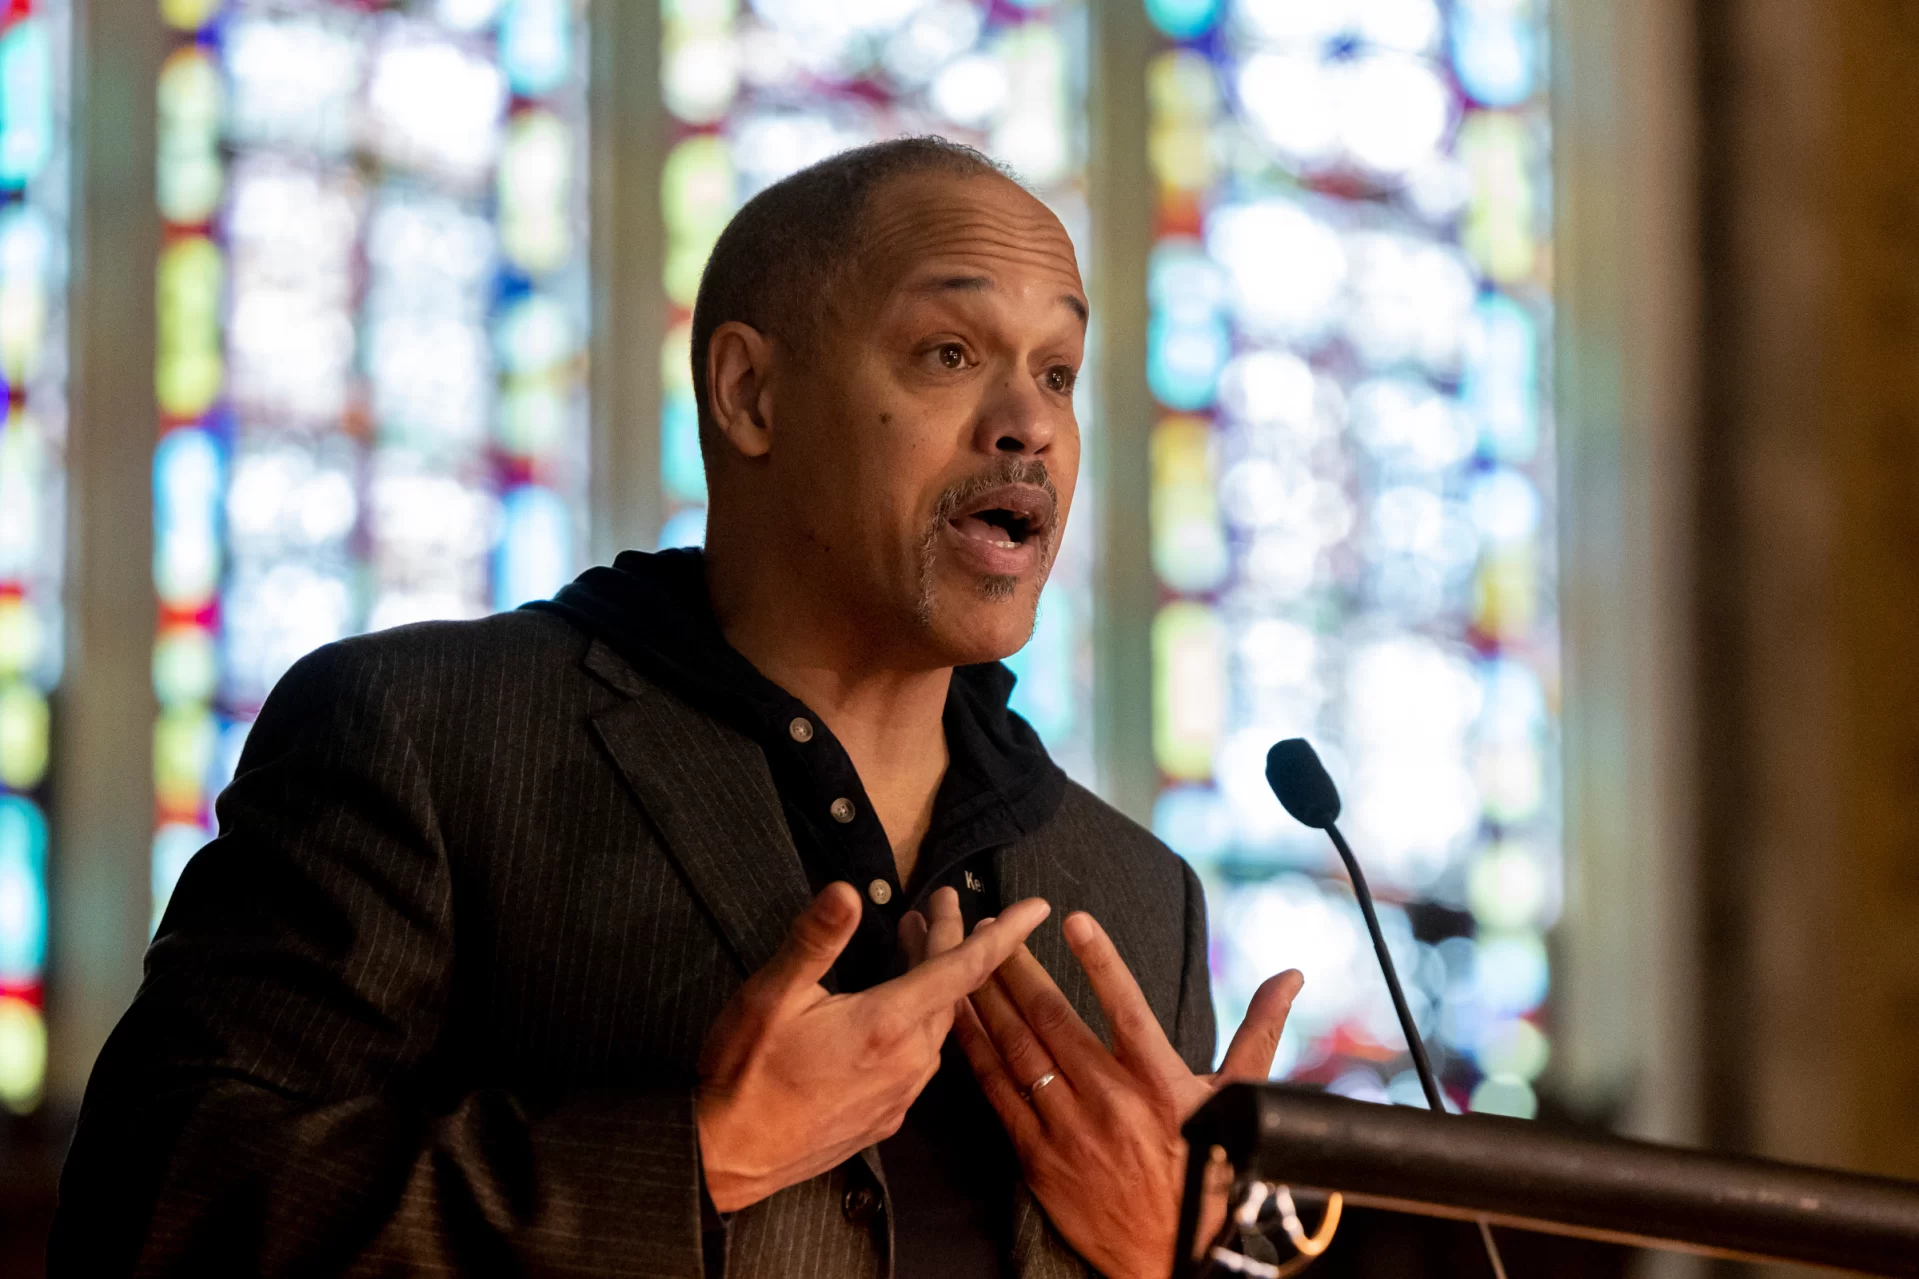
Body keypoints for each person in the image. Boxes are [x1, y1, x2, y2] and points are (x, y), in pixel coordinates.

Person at [52, 137, 1302, 1279]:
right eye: (950, 354)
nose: (1029, 422)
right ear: (749, 394)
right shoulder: (421, 735)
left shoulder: (1138, 896)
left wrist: (1182, 1261)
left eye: (1059, 371)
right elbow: (159, 1215)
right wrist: (696, 1155)